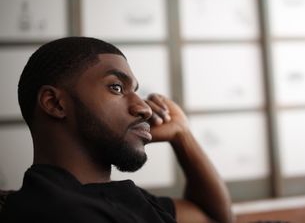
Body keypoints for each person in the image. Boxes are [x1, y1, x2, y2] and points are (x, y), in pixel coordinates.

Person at [0, 37, 233, 223]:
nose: (144, 108)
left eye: (136, 91)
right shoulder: (61, 212)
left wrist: (182, 135)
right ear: (55, 103)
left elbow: (212, 217)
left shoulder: (114, 197)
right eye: (116, 87)